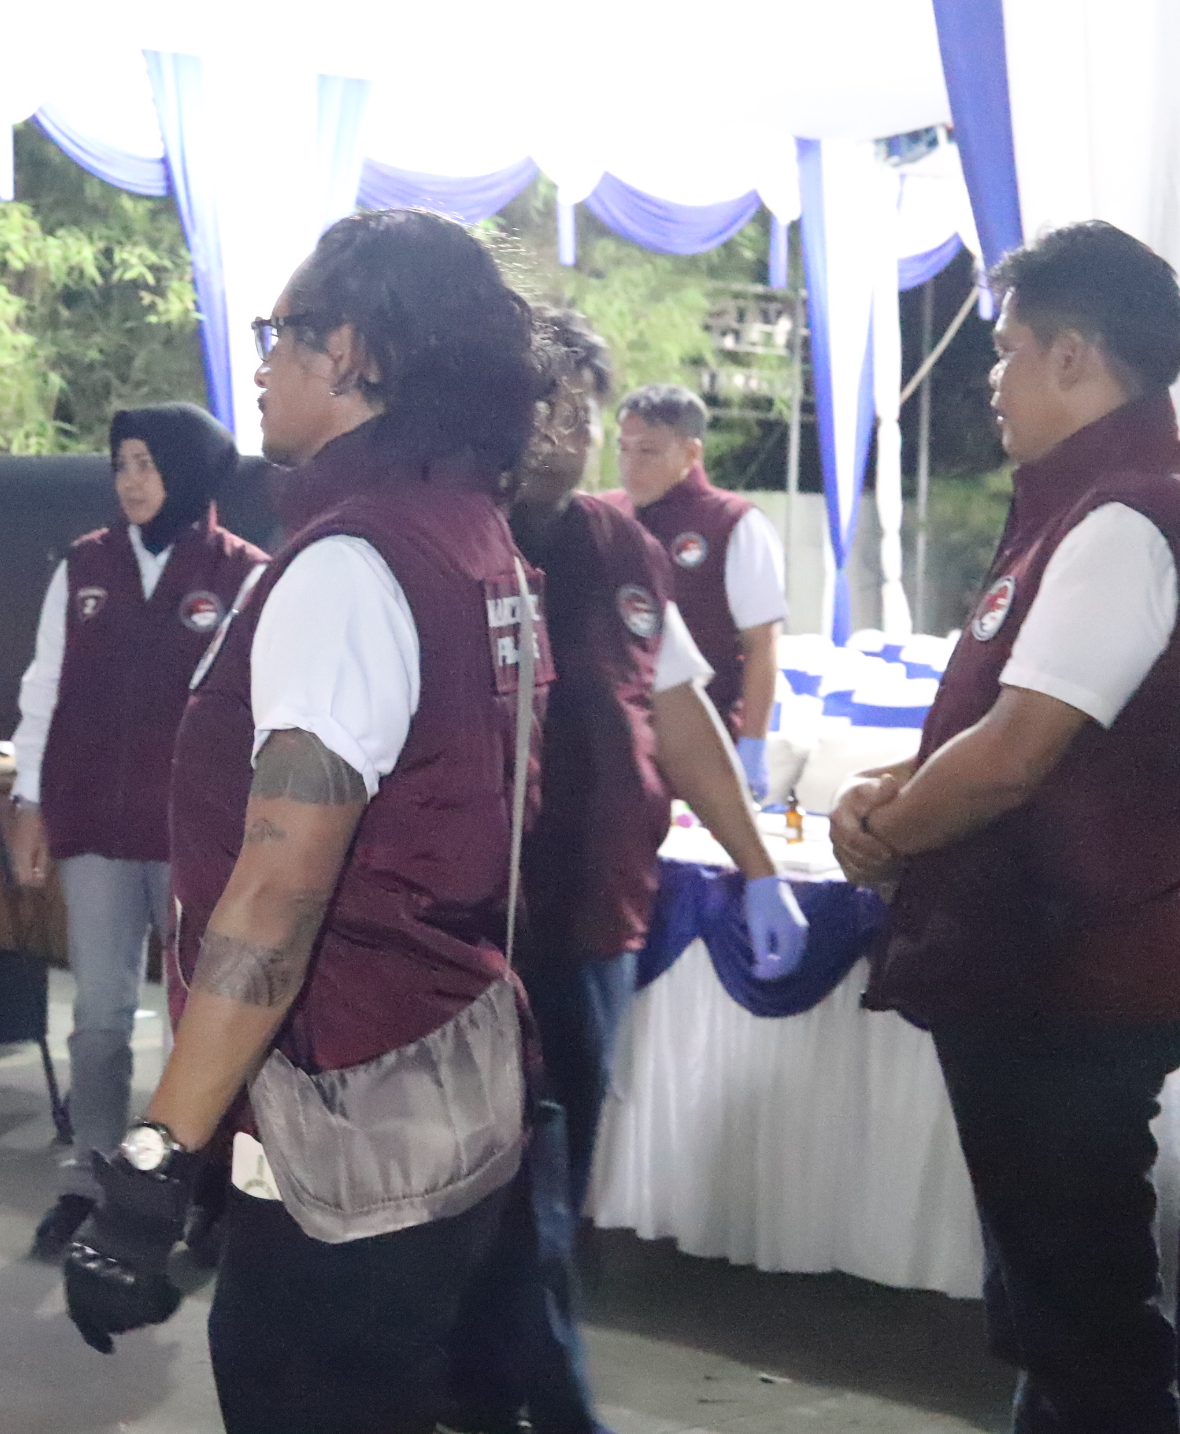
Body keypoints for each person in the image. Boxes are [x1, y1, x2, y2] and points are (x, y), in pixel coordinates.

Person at [62, 209, 551, 1433]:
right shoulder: (470, 528)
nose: (263, 362)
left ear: (353, 351)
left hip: (348, 1104)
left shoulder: (351, 563)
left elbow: (278, 892)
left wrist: (157, 1157)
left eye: (279, 332)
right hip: (446, 1069)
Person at [833, 222, 1180, 1434]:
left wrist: (888, 831)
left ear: (1075, 355)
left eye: (1007, 348)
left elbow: (1016, 754)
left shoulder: (1125, 518)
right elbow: (1013, 725)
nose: (993, 379)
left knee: (1084, 1317)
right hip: (1049, 965)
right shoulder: (1082, 507)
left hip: (1068, 972)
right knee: (1052, 1304)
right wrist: (890, 784)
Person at [444, 312, 805, 1434]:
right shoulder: (446, 536)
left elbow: (680, 712)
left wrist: (759, 867)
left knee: (557, 1173)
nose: (567, 430)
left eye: (584, 407)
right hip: (464, 927)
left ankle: (491, 1390)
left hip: (596, 919)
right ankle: (539, 1400)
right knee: (500, 1188)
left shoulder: (624, 546)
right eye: (545, 404)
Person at [10, 403, 268, 1262]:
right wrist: (29, 801)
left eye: (148, 464)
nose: (131, 481)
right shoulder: (83, 565)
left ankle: (192, 1185)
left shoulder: (245, 574)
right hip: (93, 822)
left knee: (199, 1017)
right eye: (121, 463)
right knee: (100, 1016)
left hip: (197, 837)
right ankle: (87, 1181)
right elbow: (43, 689)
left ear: (188, 472)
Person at [607, 384, 788, 800]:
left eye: (648, 451)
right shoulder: (606, 517)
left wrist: (752, 745)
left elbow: (761, 646)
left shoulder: (734, 523)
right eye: (623, 449)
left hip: (703, 744)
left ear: (691, 454)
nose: (630, 465)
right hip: (618, 743)